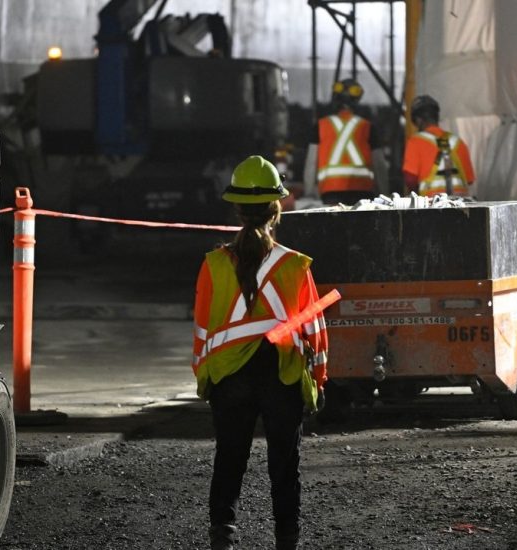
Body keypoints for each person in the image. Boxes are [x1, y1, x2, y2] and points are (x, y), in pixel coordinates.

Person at [192, 155, 329, 550]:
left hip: (228, 378)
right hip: (281, 375)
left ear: (236, 209)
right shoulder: (296, 266)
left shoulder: (213, 265)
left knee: (229, 460)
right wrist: (318, 382)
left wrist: (205, 376)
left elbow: (203, 328)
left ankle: (223, 538)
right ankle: (287, 541)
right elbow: (314, 332)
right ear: (277, 208)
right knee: (284, 467)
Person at [314, 77, 377, 205]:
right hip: (362, 191)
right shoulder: (367, 127)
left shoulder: (320, 125)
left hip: (330, 192)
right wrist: (383, 192)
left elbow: (311, 162)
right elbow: (379, 164)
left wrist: (310, 192)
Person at [402, 95, 475, 197]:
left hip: (431, 206)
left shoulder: (415, 142)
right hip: (461, 206)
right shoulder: (458, 142)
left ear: (418, 120)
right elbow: (469, 180)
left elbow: (410, 179)